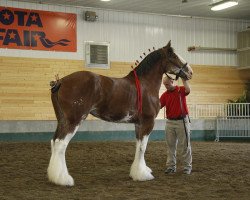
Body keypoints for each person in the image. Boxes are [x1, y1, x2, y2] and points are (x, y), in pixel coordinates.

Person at [160, 75, 192, 175]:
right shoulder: (164, 95)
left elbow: (188, 89)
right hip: (169, 122)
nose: (166, 86)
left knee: (185, 145)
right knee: (170, 146)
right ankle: (171, 167)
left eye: (167, 84)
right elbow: (157, 106)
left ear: (172, 81)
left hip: (182, 121)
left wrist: (184, 79)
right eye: (164, 84)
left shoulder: (180, 90)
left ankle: (187, 167)